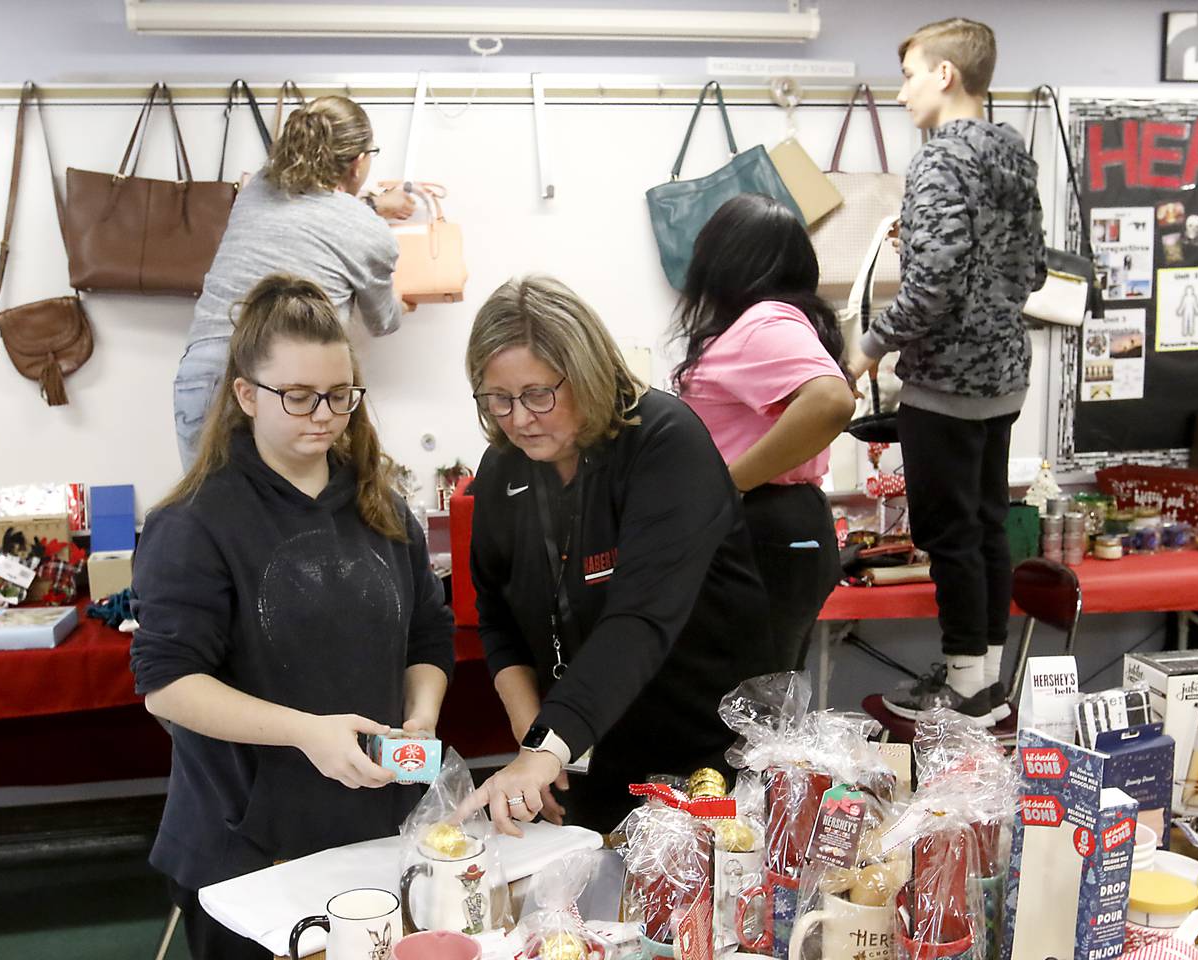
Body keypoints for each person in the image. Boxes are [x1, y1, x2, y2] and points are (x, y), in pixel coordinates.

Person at [132, 274, 453, 959]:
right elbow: (168, 683)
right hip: (250, 854)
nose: (324, 414)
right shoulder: (195, 524)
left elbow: (427, 638)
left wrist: (421, 716)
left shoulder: (383, 509)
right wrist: (305, 733)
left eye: (340, 396)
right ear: (246, 395)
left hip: (374, 835)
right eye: (299, 396)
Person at [455, 275, 771, 833]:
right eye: (498, 399)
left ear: (587, 374)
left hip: (702, 756)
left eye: (537, 395)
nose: (519, 419)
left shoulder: (665, 443)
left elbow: (639, 618)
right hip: (588, 750)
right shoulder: (504, 468)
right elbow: (498, 617)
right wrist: (540, 744)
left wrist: (548, 745)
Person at [847, 18, 1045, 726]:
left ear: (944, 75)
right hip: (1004, 378)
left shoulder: (937, 162)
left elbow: (928, 291)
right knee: (987, 526)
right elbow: (1033, 270)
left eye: (908, 75)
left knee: (948, 537)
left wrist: (868, 347)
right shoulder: (1013, 154)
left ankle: (963, 691)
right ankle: (985, 685)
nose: (901, 94)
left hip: (947, 383)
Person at [173, 95, 418, 470]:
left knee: (209, 517)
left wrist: (371, 205)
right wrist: (401, 302)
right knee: (292, 515)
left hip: (204, 371)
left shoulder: (256, 189)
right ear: (358, 163)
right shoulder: (368, 232)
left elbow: (310, 211)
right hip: (287, 383)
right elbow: (383, 320)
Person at [672, 194, 855, 672]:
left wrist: (729, 482)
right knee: (761, 699)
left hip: (763, 525)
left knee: (750, 700)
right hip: (772, 526)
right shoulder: (765, 323)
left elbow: (831, 401)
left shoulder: (763, 323)